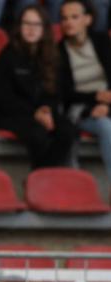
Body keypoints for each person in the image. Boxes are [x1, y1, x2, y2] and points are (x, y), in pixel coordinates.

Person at [0, 4, 76, 169]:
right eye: (26, 23)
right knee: (38, 134)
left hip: (43, 113)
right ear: (19, 27)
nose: (31, 29)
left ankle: (42, 176)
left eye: (36, 24)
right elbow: (4, 97)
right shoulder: (7, 55)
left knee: (68, 131)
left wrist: (46, 109)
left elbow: (57, 92)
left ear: (44, 28)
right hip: (13, 114)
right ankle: (42, 178)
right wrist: (34, 113)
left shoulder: (52, 55)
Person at [58, 0, 111, 183]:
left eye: (74, 17)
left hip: (107, 103)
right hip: (80, 109)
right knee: (106, 126)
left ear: (88, 19)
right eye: (64, 18)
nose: (68, 22)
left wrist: (105, 104)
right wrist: (95, 99)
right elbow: (64, 93)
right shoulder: (58, 51)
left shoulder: (102, 41)